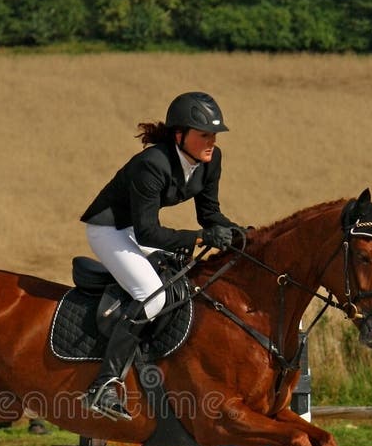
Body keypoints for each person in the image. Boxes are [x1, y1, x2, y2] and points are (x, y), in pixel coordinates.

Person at [79, 90, 247, 420]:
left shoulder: (211, 162)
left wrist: (239, 233)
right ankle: (105, 384)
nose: (211, 142)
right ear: (179, 135)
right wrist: (199, 238)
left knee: (184, 285)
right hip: (109, 230)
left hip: (135, 231)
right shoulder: (152, 165)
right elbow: (146, 232)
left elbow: (209, 214)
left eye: (213, 135)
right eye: (204, 135)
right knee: (151, 296)